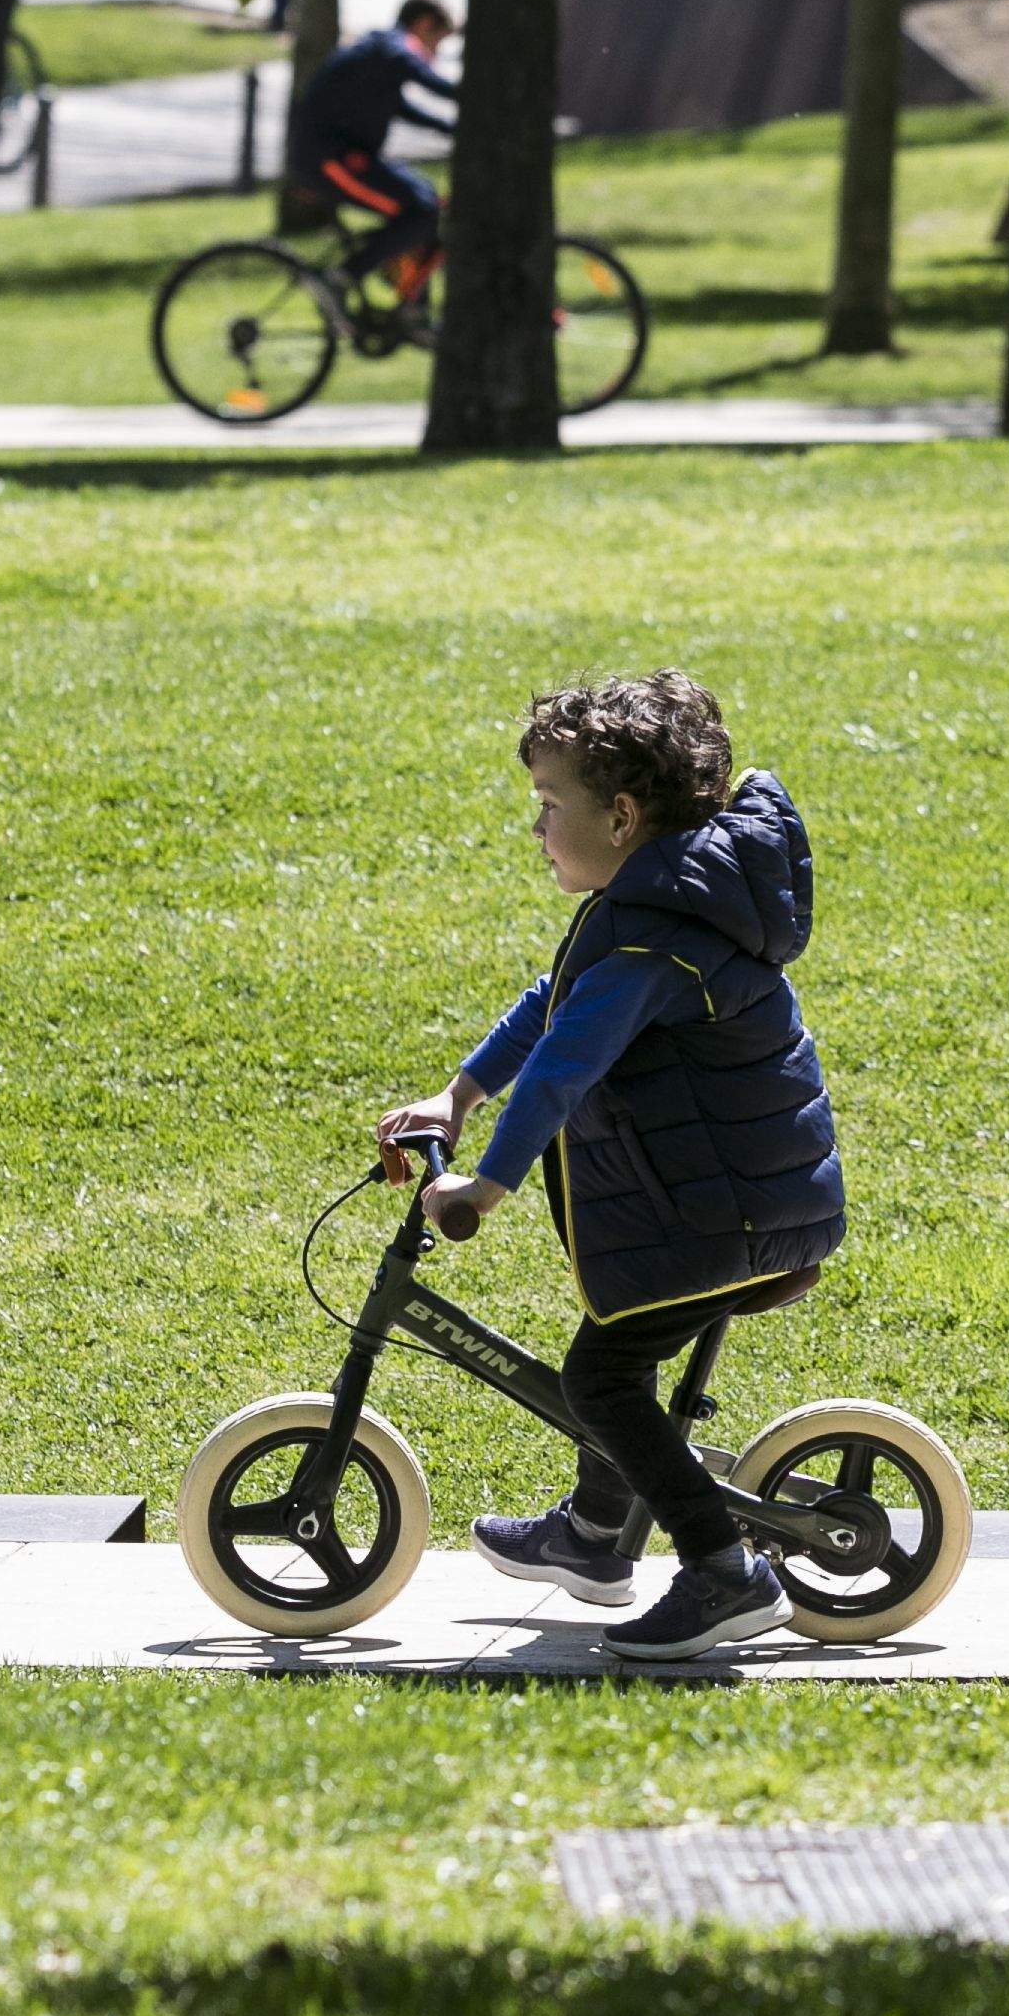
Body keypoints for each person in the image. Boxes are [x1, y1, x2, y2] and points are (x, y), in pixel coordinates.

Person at [379, 674, 845, 1663]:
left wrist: (482, 1189)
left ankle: (725, 1571)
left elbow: (563, 1065)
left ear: (622, 816)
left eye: (550, 805)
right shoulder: (649, 900)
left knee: (600, 1376)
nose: (536, 828)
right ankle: (595, 1535)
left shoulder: (650, 941)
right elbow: (550, 1001)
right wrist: (457, 1096)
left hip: (726, 1215)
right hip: (721, 1199)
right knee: (615, 1343)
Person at [299, 0, 461, 300]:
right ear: (424, 23)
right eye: (438, 42)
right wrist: (479, 93)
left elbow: (399, 107)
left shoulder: (382, 50)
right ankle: (341, 277)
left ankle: (409, 305)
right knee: (420, 213)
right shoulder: (396, 49)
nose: (436, 52)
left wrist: (449, 128)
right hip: (329, 159)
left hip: (352, 156)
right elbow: (429, 80)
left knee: (428, 199)